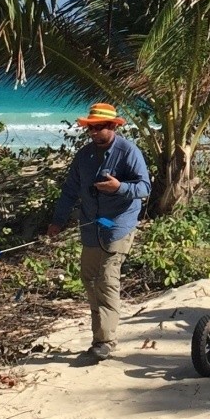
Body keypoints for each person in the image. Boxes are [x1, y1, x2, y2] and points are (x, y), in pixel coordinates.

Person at [46, 102, 151, 361]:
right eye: (90, 128)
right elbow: (70, 190)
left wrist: (119, 188)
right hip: (91, 227)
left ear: (113, 126)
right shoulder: (83, 156)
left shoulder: (128, 151)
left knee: (106, 278)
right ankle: (99, 336)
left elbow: (145, 188)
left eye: (99, 127)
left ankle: (106, 341)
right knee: (89, 278)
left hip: (119, 225)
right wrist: (58, 220)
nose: (93, 132)